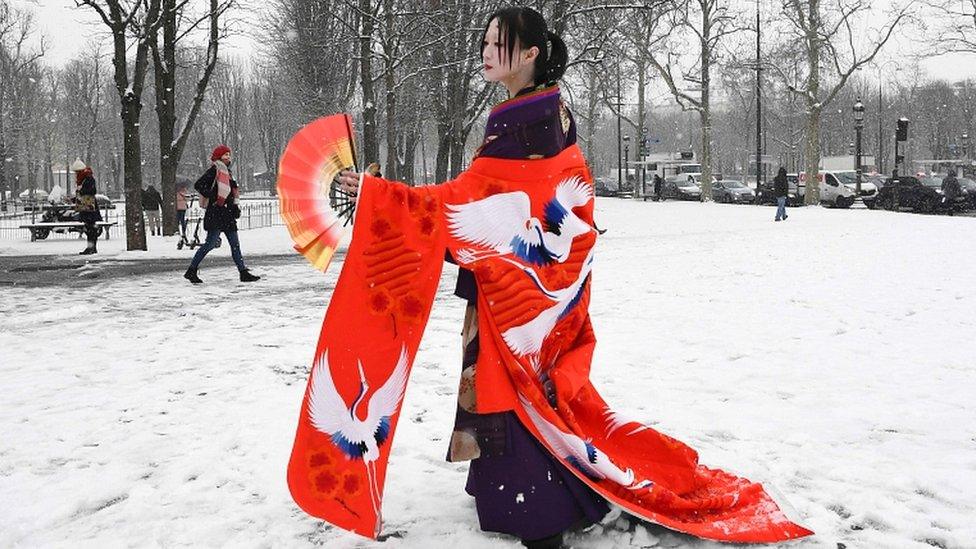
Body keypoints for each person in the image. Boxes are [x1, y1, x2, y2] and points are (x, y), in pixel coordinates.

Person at [317, 7, 811, 548]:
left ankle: (541, 513)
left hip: (520, 301)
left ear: (529, 54)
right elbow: (497, 199)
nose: (484, 51)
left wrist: (380, 197)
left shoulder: (524, 125)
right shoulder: (547, 116)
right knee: (523, 384)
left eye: (496, 43)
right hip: (533, 292)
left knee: (514, 386)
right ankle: (520, 490)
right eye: (483, 41)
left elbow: (470, 204)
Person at [183, 145, 260, 284]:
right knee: (210, 244)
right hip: (216, 212)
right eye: (225, 155)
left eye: (229, 155)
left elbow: (232, 191)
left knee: (235, 244)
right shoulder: (215, 170)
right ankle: (191, 270)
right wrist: (213, 196)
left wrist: (235, 206)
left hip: (227, 213)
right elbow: (199, 185)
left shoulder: (228, 172)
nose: (228, 157)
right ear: (219, 157)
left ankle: (243, 272)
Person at [72, 159, 101, 255]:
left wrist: (80, 192)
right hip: (87, 206)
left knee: (90, 229)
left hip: (89, 207)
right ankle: (91, 248)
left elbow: (91, 191)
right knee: (90, 228)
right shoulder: (85, 178)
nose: (75, 174)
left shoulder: (88, 178)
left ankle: (91, 248)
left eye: (76, 172)